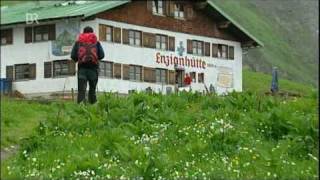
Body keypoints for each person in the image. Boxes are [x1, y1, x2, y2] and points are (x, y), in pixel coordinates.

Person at [71, 26, 105, 104]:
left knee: (81, 90)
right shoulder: (96, 42)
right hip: (93, 69)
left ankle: (81, 107)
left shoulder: (78, 42)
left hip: (82, 69)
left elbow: (73, 56)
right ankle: (92, 106)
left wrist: (79, 60)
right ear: (92, 32)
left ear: (83, 32)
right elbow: (102, 55)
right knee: (92, 90)